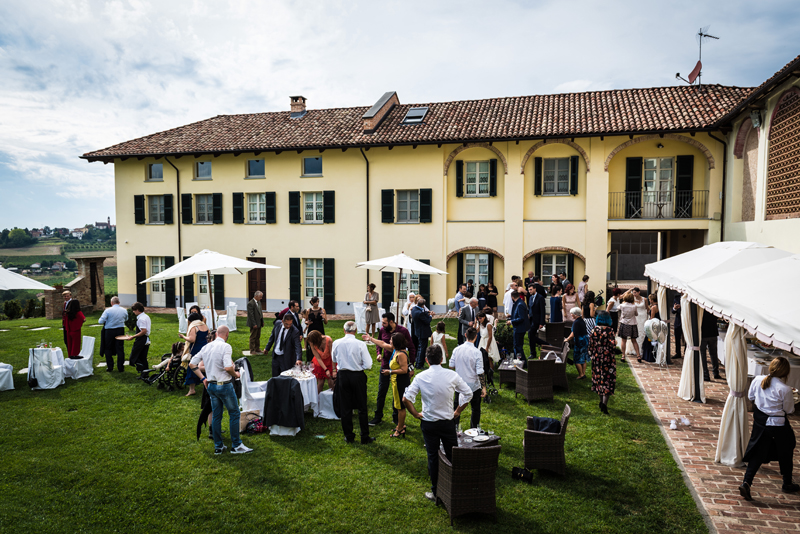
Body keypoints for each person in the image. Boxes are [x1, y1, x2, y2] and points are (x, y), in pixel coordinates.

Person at [403, 345, 473, 503]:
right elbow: (468, 393)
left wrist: (415, 414)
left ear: (427, 360)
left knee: (433, 457)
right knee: (452, 455)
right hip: (448, 423)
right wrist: (458, 411)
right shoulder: (452, 375)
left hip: (429, 424)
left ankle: (436, 492)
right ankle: (455, 488)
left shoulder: (421, 377)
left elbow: (406, 399)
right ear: (442, 359)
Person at [738, 357, 799, 500]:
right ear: (786, 372)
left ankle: (746, 482)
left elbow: (751, 396)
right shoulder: (785, 389)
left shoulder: (758, 379)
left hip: (760, 422)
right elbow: (789, 410)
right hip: (777, 424)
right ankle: (787, 482)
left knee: (757, 452)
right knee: (787, 447)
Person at [188, 325, 252, 455]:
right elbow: (228, 367)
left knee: (217, 415)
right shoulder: (226, 347)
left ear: (217, 333)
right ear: (227, 335)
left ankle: (218, 446)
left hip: (211, 385)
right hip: (224, 385)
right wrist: (237, 375)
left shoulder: (206, 347)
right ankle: (236, 445)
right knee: (234, 414)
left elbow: (192, 364)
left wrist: (203, 379)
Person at [365, 312, 415, 426]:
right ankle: (378, 416)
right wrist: (378, 353)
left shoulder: (403, 331)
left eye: (384, 323)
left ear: (391, 322)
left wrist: (411, 367)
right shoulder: (383, 331)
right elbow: (380, 343)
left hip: (398, 368)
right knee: (381, 391)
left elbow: (411, 349)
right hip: (385, 365)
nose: (382, 325)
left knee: (396, 393)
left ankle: (396, 418)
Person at [332, 321, 374, 444]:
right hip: (357, 375)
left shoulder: (337, 343)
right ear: (355, 331)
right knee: (362, 406)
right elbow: (368, 364)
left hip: (343, 375)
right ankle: (364, 436)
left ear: (344, 330)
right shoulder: (360, 344)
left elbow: (334, 359)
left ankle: (349, 436)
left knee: (345, 407)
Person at [373, 332, 411, 439]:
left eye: (391, 340)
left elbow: (404, 370)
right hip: (395, 382)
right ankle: (400, 425)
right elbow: (382, 344)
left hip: (400, 383)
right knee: (397, 405)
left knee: (400, 407)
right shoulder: (395, 350)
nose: (389, 341)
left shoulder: (401, 354)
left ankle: (400, 429)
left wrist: (390, 372)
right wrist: (371, 339)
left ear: (396, 342)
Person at [449, 327, 486, 429]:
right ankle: (474, 430)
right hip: (473, 385)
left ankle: (455, 428)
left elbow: (451, 365)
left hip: (459, 384)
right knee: (475, 409)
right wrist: (484, 387)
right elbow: (480, 372)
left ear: (465, 335)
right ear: (476, 337)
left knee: (456, 408)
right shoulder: (477, 352)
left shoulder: (456, 349)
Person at [589, 311, 617, 415]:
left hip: (596, 359)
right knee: (607, 380)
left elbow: (590, 346)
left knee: (598, 379)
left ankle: (601, 402)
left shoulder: (594, 330)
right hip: (608, 359)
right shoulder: (610, 331)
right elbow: (612, 346)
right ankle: (604, 404)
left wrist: (593, 354)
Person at [181, 311, 210, 396]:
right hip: (205, 348)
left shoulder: (194, 326)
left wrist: (183, 337)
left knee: (192, 367)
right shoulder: (205, 325)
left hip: (196, 349)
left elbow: (192, 339)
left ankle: (192, 389)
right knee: (204, 366)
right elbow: (208, 336)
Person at [265, 312, 303, 377]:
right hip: (276, 356)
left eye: (290, 324)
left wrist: (298, 358)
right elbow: (272, 337)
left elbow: (298, 346)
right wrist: (267, 348)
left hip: (286, 357)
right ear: (282, 321)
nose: (288, 326)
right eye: (286, 324)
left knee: (285, 377)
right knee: (275, 376)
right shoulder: (277, 324)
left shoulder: (295, 331)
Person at [98, 296, 127, 372]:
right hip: (120, 330)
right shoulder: (124, 310)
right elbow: (126, 319)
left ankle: (110, 367)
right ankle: (121, 367)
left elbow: (100, 321)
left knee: (108, 348)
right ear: (119, 302)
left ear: (111, 303)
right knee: (120, 348)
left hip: (109, 331)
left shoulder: (108, 310)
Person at [565, 307, 590, 380]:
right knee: (583, 358)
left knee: (577, 359)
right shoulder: (582, 320)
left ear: (575, 314)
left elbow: (573, 333)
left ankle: (581, 374)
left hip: (580, 341)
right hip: (585, 340)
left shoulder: (576, 322)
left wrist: (567, 339)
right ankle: (583, 374)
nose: (571, 315)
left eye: (572, 314)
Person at [411, 297, 434, 369]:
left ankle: (417, 361)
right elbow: (427, 321)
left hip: (418, 331)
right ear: (423, 305)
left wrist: (428, 313)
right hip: (423, 332)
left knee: (420, 347)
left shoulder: (414, 309)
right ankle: (419, 364)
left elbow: (423, 314)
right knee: (422, 348)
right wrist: (431, 316)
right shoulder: (420, 313)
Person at [128, 302, 151, 375]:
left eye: (134, 310)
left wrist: (133, 336)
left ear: (137, 310)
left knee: (134, 357)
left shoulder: (141, 319)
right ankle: (145, 373)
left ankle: (141, 370)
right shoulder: (146, 316)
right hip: (146, 339)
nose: (133, 312)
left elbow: (143, 331)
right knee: (143, 357)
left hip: (141, 340)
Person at [625, 288, 648, 359]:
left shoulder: (645, 299)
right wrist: (630, 290)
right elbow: (625, 297)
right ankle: (633, 349)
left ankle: (641, 349)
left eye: (635, 292)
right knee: (635, 332)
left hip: (643, 316)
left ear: (639, 292)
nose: (634, 294)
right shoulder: (632, 299)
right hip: (635, 317)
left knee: (642, 332)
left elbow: (647, 308)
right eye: (633, 293)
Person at [700, 309, 722, 380]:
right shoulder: (712, 308)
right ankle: (716, 372)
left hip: (703, 334)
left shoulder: (700, 309)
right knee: (713, 354)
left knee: (703, 355)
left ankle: (706, 374)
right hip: (713, 332)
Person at [618, 292, 639, 363]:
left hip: (624, 323)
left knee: (623, 340)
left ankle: (623, 356)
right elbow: (636, 314)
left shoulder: (622, 305)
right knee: (634, 340)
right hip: (632, 324)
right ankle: (638, 355)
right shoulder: (634, 306)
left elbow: (617, 308)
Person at [305, 296, 328, 361]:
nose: (317, 303)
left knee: (320, 344)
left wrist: (323, 317)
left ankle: (321, 359)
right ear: (312, 302)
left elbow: (326, 322)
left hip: (320, 329)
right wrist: (307, 323)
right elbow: (306, 321)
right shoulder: (308, 310)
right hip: (311, 329)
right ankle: (311, 360)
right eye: (315, 302)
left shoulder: (322, 310)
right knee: (311, 345)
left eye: (318, 302)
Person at [509, 290, 529, 359]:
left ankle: (523, 362)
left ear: (512, 297)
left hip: (519, 328)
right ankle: (517, 360)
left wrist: (511, 321)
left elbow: (521, 318)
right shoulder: (519, 303)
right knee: (517, 346)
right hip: (519, 328)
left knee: (518, 346)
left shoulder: (520, 304)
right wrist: (511, 316)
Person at [527, 286, 546, 356]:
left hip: (537, 320)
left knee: (531, 335)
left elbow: (542, 311)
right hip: (531, 319)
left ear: (535, 289)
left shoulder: (540, 298)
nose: (530, 291)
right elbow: (529, 307)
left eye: (531, 289)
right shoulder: (530, 297)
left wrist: (541, 323)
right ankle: (544, 345)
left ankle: (534, 352)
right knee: (531, 335)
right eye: (529, 290)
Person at [672, 293, 683, 360]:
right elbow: (673, 311)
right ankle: (678, 352)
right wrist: (675, 308)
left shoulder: (690, 296)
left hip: (686, 320)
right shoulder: (677, 298)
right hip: (678, 320)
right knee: (677, 337)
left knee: (687, 338)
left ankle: (686, 352)